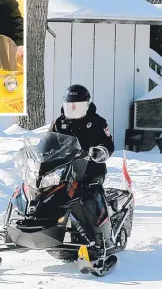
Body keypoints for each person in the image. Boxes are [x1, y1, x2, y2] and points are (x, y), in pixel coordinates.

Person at [47, 84, 115, 248]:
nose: (74, 109)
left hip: (91, 170)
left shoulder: (97, 122)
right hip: (65, 172)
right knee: (46, 195)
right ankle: (42, 231)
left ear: (87, 104)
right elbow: (48, 144)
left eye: (78, 105)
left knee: (89, 196)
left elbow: (108, 144)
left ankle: (103, 238)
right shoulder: (59, 123)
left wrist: (100, 152)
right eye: (70, 106)